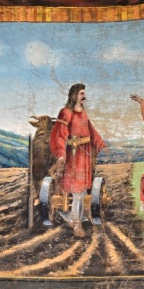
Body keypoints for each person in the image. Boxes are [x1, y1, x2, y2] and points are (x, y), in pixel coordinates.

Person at [50, 83, 107, 237]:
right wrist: (60, 154)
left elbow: (91, 130)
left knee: (80, 191)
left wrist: (100, 143)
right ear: (74, 95)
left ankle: (74, 218)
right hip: (73, 156)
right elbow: (59, 135)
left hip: (85, 155)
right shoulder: (66, 112)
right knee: (78, 192)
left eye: (84, 93)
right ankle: (77, 224)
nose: (84, 96)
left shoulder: (83, 113)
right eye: (82, 93)